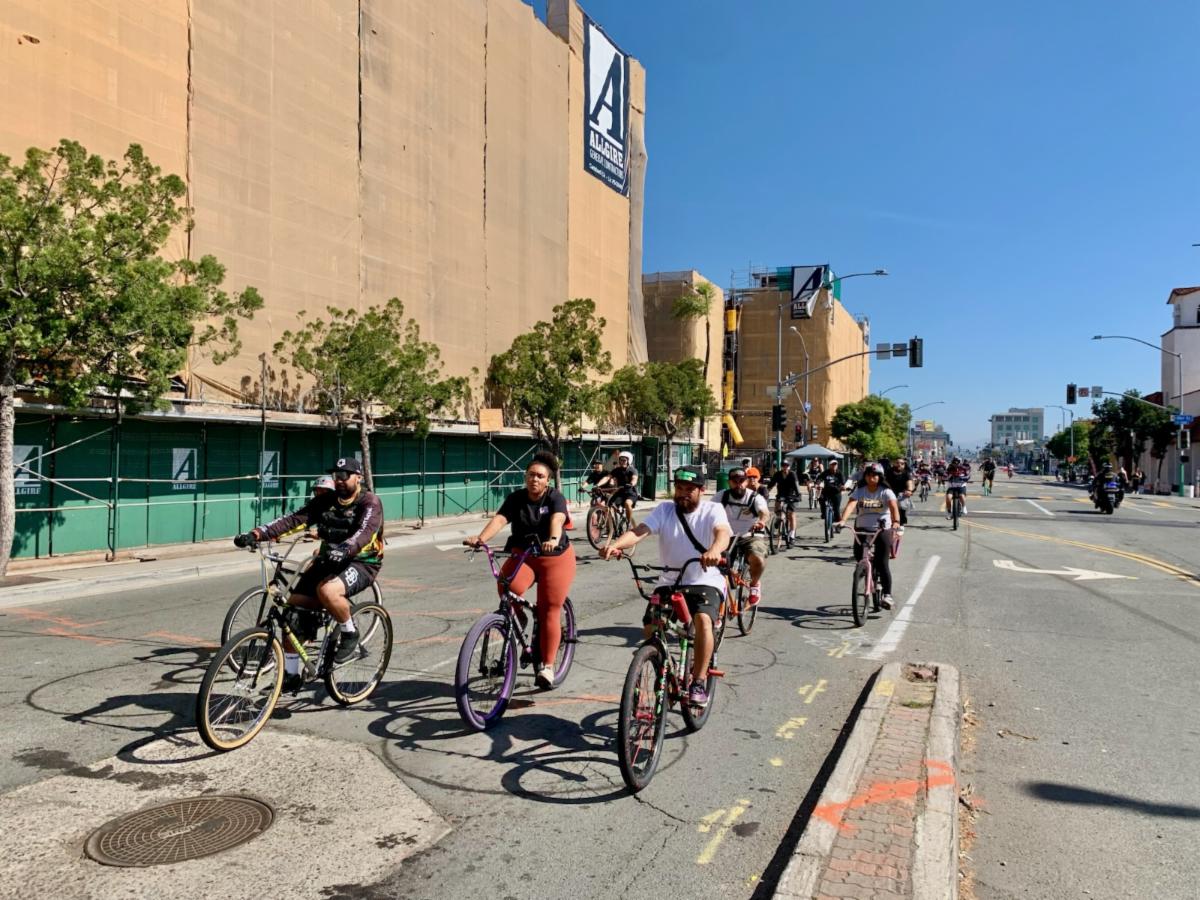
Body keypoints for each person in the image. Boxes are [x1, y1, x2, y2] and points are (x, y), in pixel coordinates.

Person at [234, 457, 384, 691]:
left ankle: (350, 632)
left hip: (362, 561)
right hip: (329, 559)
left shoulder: (369, 502)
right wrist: (256, 533)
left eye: (345, 476)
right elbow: (294, 520)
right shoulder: (325, 501)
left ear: (358, 477)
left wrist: (345, 548)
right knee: (291, 613)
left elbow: (365, 533)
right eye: (337, 476)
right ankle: (291, 676)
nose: (340, 480)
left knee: (328, 590)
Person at [600, 466, 732, 709]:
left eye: (689, 490)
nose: (682, 493)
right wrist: (617, 545)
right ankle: (659, 665)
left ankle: (699, 682)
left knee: (703, 621)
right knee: (651, 625)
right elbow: (640, 531)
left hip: (705, 580)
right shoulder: (665, 510)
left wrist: (714, 550)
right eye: (679, 488)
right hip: (671, 581)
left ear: (701, 491)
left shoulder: (713, 509)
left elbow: (722, 533)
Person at [465, 450, 576, 689]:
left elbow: (557, 520)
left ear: (547, 480)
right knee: (506, 585)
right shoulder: (516, 498)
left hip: (554, 557)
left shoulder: (555, 498)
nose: (534, 479)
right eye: (530, 475)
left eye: (539, 476)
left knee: (549, 609)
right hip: (524, 555)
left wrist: (553, 539)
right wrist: (481, 539)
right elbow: (500, 519)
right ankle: (520, 617)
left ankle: (547, 666)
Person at [836, 462, 901, 609]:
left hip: (882, 528)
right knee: (859, 558)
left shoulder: (886, 492)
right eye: (868, 475)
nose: (871, 478)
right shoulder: (860, 490)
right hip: (862, 528)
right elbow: (851, 505)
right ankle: (865, 575)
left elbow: (893, 507)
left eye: (874, 476)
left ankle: (887, 595)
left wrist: (896, 522)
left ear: (880, 477)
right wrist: (843, 520)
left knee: (882, 562)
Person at [717, 467, 770, 606]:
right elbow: (705, 511)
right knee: (715, 570)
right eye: (735, 481)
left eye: (742, 480)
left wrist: (761, 522)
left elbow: (764, 512)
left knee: (758, 559)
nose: (739, 484)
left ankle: (754, 584)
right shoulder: (722, 496)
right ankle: (717, 610)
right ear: (729, 482)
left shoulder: (754, 497)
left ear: (746, 482)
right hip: (727, 536)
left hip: (750, 535)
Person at [598, 450, 639, 527]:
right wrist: (597, 485)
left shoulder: (632, 470)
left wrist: (631, 484)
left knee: (627, 503)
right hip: (619, 492)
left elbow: (634, 479)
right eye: (620, 460)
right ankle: (610, 527)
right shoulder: (616, 470)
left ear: (628, 461)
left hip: (630, 492)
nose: (622, 462)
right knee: (608, 507)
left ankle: (628, 522)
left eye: (624, 460)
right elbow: (607, 478)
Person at [768, 459, 804, 541]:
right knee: (777, 509)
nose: (785, 467)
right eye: (783, 466)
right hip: (781, 495)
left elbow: (796, 485)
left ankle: (792, 534)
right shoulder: (777, 474)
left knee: (791, 514)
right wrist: (765, 494)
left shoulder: (792, 474)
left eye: (786, 466)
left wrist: (799, 495)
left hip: (792, 496)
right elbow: (771, 485)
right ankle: (778, 520)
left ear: (789, 466)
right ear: (781, 467)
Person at [883, 456, 913, 531]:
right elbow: (883, 481)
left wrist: (909, 490)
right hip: (889, 491)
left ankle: (901, 523)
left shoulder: (906, 473)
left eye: (902, 463)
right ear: (894, 463)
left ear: (904, 465)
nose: (899, 465)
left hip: (901, 493)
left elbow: (910, 482)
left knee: (902, 505)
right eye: (897, 463)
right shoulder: (888, 472)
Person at [818, 459, 847, 531]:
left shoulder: (839, 473)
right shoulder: (826, 472)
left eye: (835, 464)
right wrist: (818, 484)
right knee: (821, 499)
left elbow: (843, 483)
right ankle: (824, 513)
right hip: (826, 491)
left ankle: (838, 526)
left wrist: (843, 487)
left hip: (836, 492)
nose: (834, 466)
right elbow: (819, 478)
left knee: (836, 509)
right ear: (829, 465)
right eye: (832, 464)